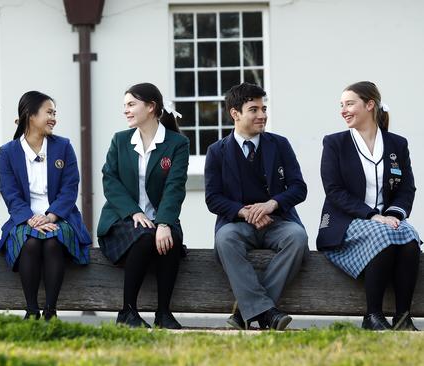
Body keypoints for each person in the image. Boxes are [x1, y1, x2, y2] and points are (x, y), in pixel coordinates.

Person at [204, 82, 309, 330]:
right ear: (235, 114)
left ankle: (247, 311)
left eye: (263, 108)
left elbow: (298, 188)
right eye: (254, 109)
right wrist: (245, 212)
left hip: (278, 222)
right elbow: (213, 198)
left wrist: (271, 204)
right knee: (225, 240)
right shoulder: (216, 152)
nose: (262, 115)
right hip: (237, 224)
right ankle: (267, 313)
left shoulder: (280, 145)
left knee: (297, 238)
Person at [317, 81, 420, 331]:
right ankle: (372, 315)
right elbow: (334, 191)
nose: (344, 110)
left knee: (409, 239)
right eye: (341, 105)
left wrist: (394, 214)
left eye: (350, 103)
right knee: (383, 236)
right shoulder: (334, 143)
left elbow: (407, 188)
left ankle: (403, 317)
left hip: (387, 221)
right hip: (345, 222)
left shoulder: (397, 144)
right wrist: (373, 216)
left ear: (370, 105)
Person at [0, 91, 92, 320]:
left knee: (52, 243)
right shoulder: (8, 152)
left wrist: (51, 216)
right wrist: (30, 218)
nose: (53, 118)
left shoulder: (63, 147)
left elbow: (70, 188)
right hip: (24, 218)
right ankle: (31, 310)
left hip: (60, 217)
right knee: (30, 242)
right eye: (49, 112)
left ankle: (50, 310)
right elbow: (9, 193)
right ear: (30, 115)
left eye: (54, 113)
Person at [97, 82, 189, 329]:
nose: (126, 110)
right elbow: (110, 179)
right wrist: (134, 212)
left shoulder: (177, 144)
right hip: (122, 221)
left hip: (161, 219)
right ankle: (127, 312)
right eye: (124, 105)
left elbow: (175, 187)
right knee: (146, 237)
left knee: (169, 240)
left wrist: (164, 223)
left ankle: (163, 313)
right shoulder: (120, 140)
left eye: (131, 104)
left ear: (150, 107)